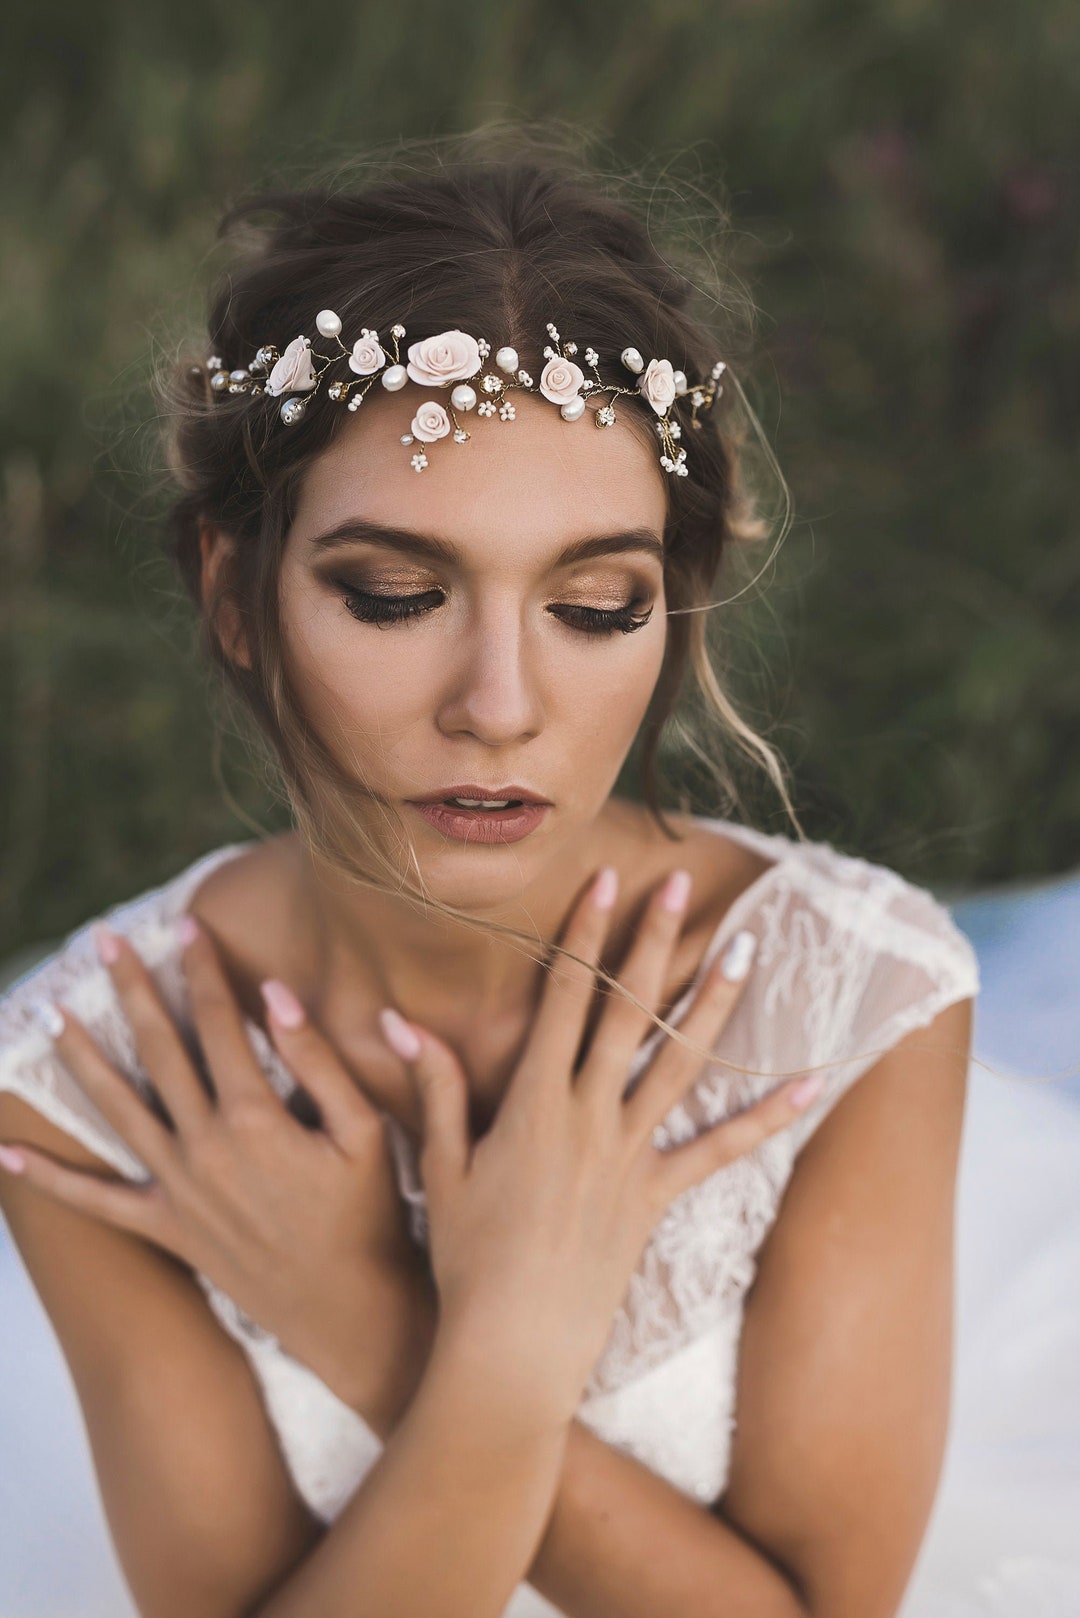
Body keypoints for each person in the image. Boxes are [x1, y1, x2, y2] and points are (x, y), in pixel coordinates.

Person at [0, 138, 1013, 1618]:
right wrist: (497, 1354)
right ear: (235, 594)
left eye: (595, 604)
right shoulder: (95, 1080)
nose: (500, 703)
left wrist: (385, 1318)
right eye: (397, 595)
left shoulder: (849, 1003)